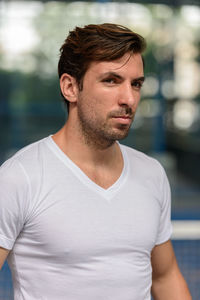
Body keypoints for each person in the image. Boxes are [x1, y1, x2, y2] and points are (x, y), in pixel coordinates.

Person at [0, 23, 191, 300]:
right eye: (111, 80)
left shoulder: (152, 174)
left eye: (136, 84)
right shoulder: (19, 177)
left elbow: (165, 277)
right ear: (70, 87)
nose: (129, 98)